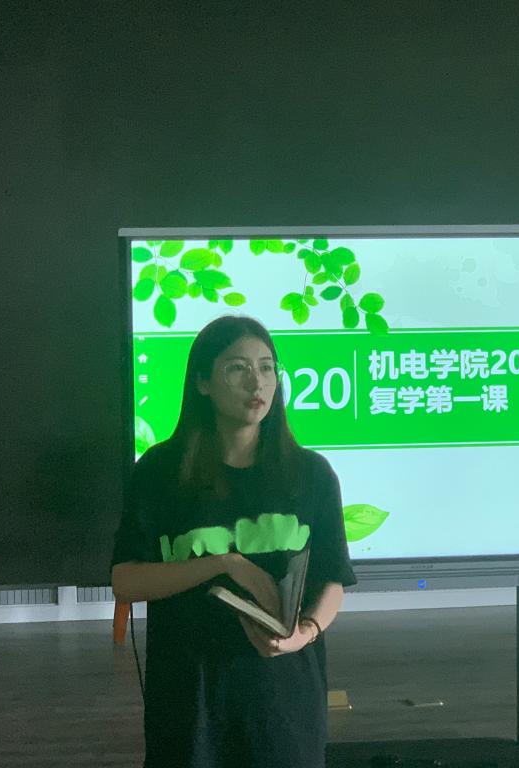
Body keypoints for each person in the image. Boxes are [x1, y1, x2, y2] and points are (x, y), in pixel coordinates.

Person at [111, 315, 356, 768]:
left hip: (284, 700)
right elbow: (126, 581)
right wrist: (225, 564)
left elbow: (332, 581)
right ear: (202, 382)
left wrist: (304, 633)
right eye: (237, 368)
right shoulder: (160, 473)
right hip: (191, 700)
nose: (256, 382)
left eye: (266, 368)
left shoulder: (311, 475)